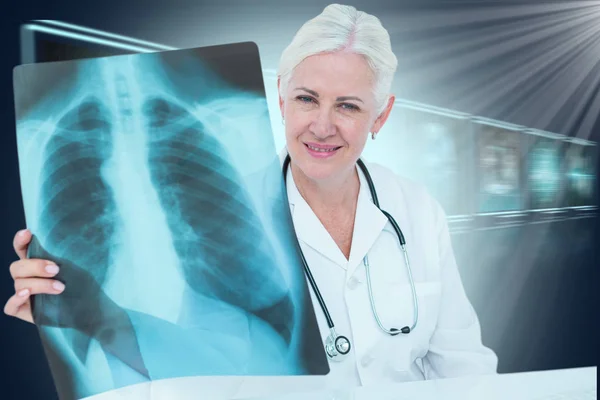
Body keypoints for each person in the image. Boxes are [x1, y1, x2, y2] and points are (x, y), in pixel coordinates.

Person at [4, 3, 498, 398]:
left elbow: (463, 365)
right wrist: (84, 319)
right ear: (280, 98)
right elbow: (190, 369)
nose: (322, 126)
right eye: (307, 99)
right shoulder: (231, 204)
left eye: (347, 106)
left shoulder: (414, 207)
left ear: (381, 115)